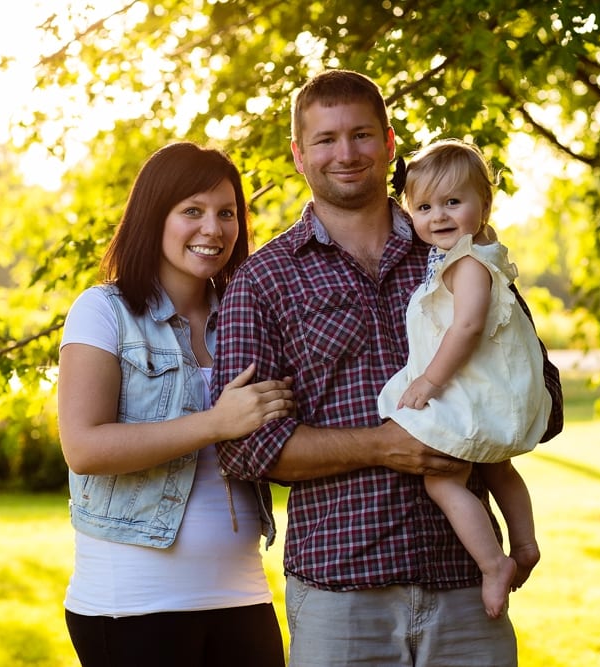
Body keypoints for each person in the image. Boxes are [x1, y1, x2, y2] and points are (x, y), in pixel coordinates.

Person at [213, 70, 562, 666]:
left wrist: (475, 424)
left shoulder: (460, 253)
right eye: (324, 140)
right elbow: (245, 449)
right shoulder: (264, 281)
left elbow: (543, 395)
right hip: (340, 592)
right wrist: (382, 446)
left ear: (390, 143)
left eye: (361, 135)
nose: (344, 154)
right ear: (299, 155)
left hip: (466, 587)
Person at [57, 141, 294, 667]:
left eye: (227, 213)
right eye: (192, 211)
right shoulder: (103, 311)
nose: (213, 229)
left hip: (243, 595)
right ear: (153, 217)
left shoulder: (245, 316)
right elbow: (84, 446)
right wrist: (215, 423)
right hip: (133, 605)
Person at [376, 138, 552, 620]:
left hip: (471, 388)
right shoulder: (478, 250)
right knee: (498, 469)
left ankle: (494, 564)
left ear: (483, 204)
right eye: (424, 207)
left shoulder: (469, 263)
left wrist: (430, 382)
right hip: (489, 388)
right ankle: (527, 543)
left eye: (453, 202)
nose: (438, 216)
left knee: (443, 479)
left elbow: (468, 325)